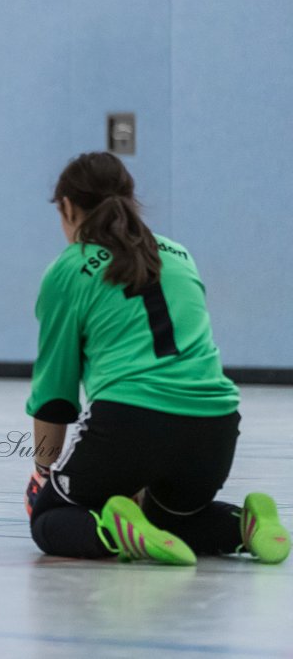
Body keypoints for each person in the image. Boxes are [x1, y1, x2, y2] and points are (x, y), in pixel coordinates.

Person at [24, 151, 288, 565]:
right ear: (130, 199)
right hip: (216, 428)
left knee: (51, 516)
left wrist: (45, 473)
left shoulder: (69, 269)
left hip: (130, 420)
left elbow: (54, 394)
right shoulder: (180, 255)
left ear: (68, 208)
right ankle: (245, 526)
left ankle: (114, 532)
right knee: (171, 520)